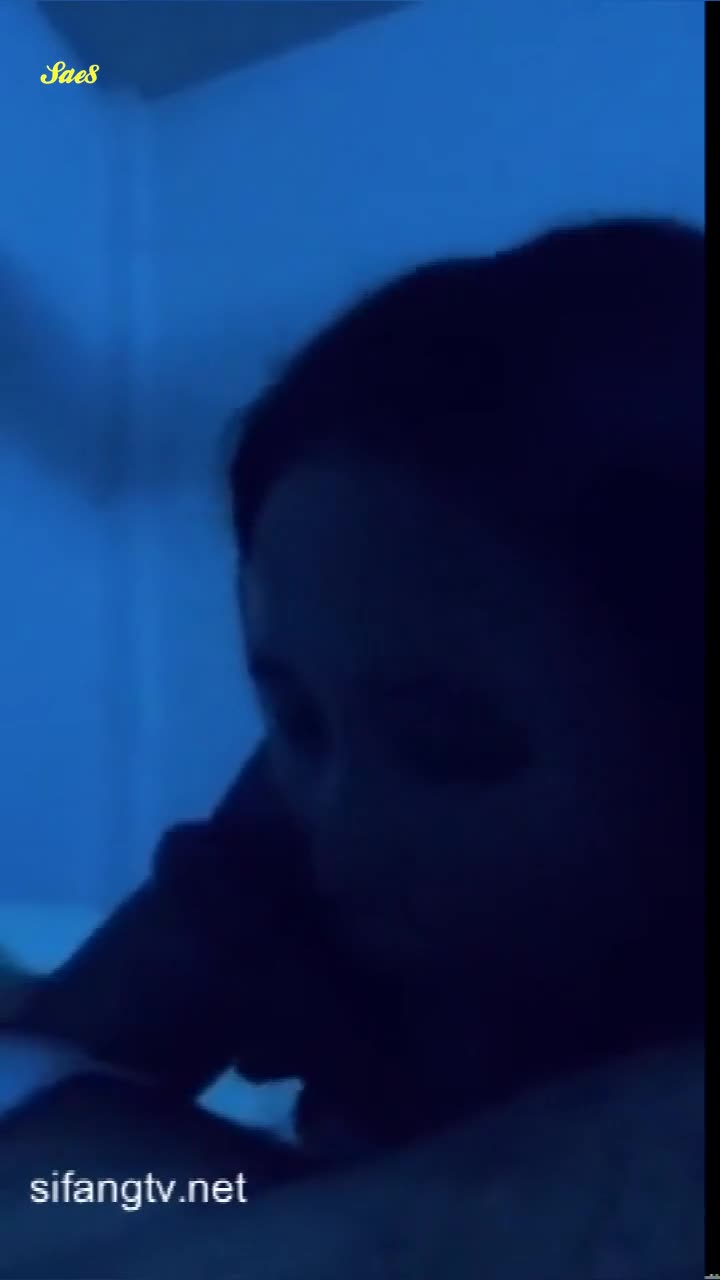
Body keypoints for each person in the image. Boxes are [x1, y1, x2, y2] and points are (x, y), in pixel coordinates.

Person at [0, 216, 704, 1269]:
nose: (341, 830)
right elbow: (41, 1112)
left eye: (450, 745)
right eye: (295, 718)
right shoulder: (277, 864)